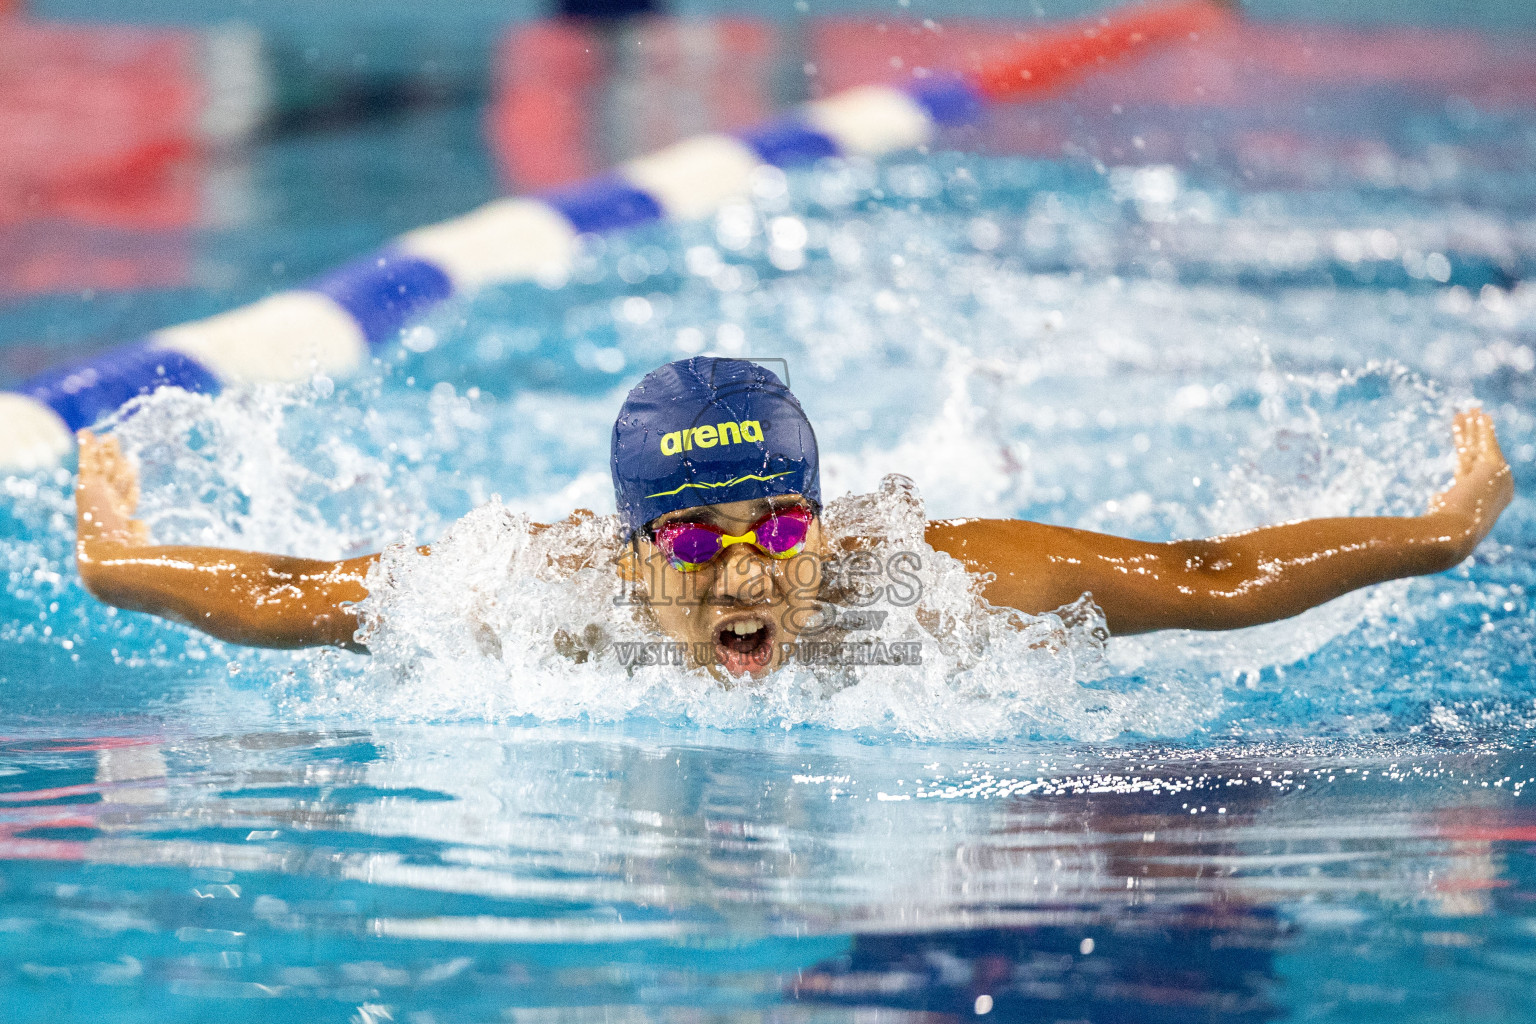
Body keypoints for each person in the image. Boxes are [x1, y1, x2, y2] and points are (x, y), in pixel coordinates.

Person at [75, 357, 1513, 679]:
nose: (740, 573)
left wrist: (1443, 530)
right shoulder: (537, 596)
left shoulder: (931, 588)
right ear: (633, 550)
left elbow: (1202, 578)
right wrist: (122, 567)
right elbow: (302, 593)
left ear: (823, 526)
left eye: (773, 528)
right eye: (694, 544)